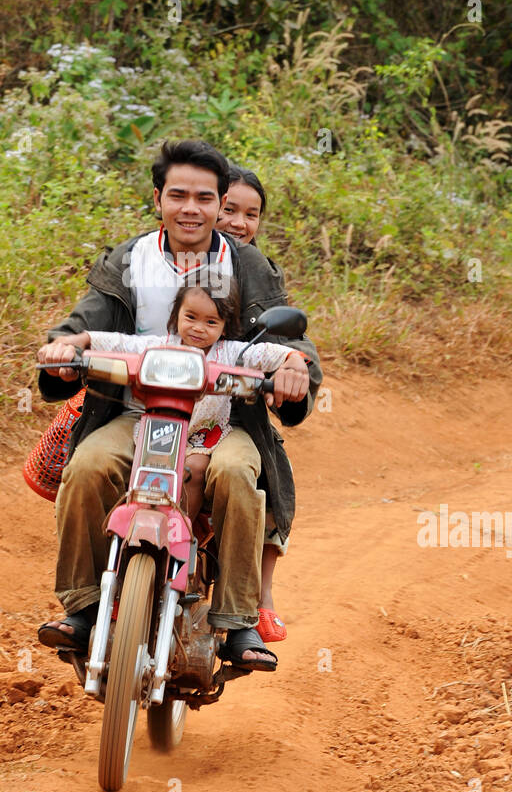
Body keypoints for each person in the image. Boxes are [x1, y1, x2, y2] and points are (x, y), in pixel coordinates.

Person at [36, 138, 322, 671]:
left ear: (219, 203)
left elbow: (289, 339)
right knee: (87, 467)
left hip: (223, 420)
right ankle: (84, 607)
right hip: (133, 413)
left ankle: (237, 622)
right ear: (158, 198)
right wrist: (64, 347)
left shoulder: (248, 264)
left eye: (205, 198)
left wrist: (293, 368)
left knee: (240, 476)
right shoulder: (129, 258)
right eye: (178, 195)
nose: (191, 208)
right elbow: (85, 326)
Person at [72, 271, 307, 527]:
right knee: (133, 467)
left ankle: (180, 531)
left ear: (225, 326)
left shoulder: (234, 353)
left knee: (193, 470)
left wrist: (293, 362)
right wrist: (83, 339)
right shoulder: (159, 345)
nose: (198, 328)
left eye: (211, 322)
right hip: (156, 431)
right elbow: (120, 344)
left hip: (202, 436)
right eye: (191, 317)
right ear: (176, 315)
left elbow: (273, 353)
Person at [216, 164, 291, 642]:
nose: (240, 223)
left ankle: (255, 602)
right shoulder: (157, 259)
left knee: (265, 475)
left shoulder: (259, 273)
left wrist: (289, 367)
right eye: (229, 209)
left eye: (252, 214)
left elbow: (286, 340)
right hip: (158, 404)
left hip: (235, 411)